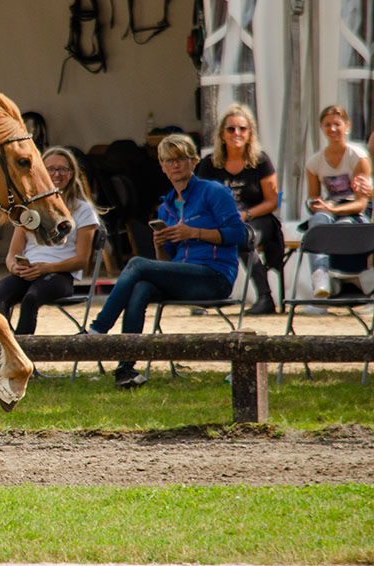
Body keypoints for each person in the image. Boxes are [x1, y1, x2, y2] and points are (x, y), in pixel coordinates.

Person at [86, 134, 244, 389]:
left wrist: (194, 233)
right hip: (183, 275)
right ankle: (126, 369)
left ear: (194, 161)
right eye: (168, 160)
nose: (175, 165)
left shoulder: (213, 192)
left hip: (214, 276)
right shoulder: (166, 206)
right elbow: (167, 261)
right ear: (161, 166)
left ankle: (96, 331)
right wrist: (160, 246)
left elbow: (239, 234)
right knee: (141, 287)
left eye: (181, 158)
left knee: (137, 264)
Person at [0, 147, 100, 388]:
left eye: (63, 169)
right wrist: (15, 267)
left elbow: (82, 260)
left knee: (32, 299)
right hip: (30, 270)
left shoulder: (83, 210)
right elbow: (12, 254)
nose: (57, 174)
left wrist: (45, 268)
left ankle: (19, 363)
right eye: (50, 169)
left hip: (59, 274)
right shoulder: (31, 208)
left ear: (72, 173)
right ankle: (6, 359)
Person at [195, 104, 281, 314]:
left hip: (258, 219)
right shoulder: (209, 164)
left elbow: (272, 201)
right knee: (196, 234)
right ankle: (204, 297)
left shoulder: (260, 161)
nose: (237, 133)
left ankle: (265, 298)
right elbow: (199, 199)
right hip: (221, 221)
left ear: (250, 133)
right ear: (221, 134)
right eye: (231, 129)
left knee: (241, 236)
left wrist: (246, 214)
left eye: (242, 129)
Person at [303, 105, 372, 297]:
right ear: (322, 128)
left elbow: (361, 204)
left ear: (347, 126)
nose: (332, 129)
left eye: (337, 124)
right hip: (330, 209)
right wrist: (316, 205)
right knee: (317, 222)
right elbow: (313, 198)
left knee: (340, 227)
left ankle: (350, 286)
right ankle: (320, 278)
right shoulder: (314, 162)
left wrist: (332, 210)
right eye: (327, 125)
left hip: (354, 213)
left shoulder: (357, 157)